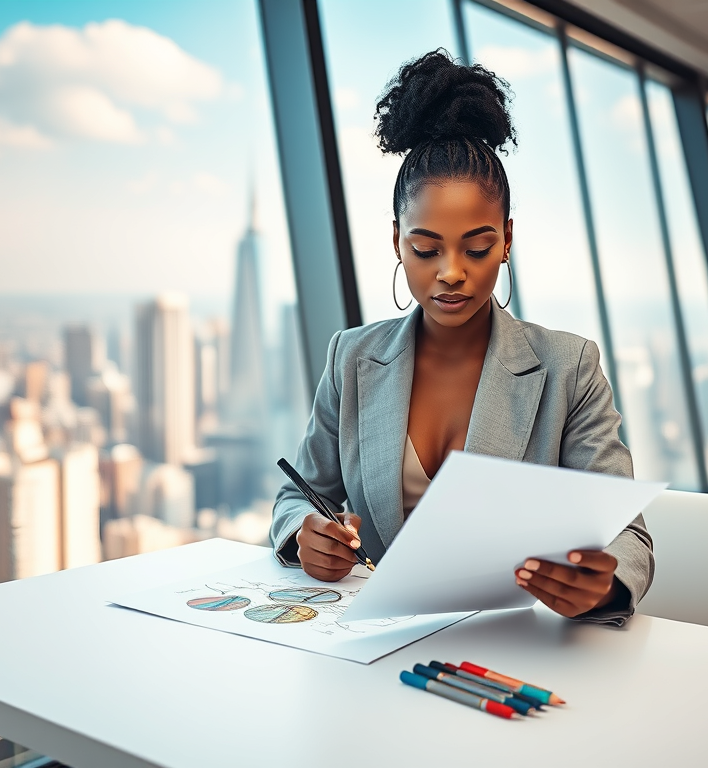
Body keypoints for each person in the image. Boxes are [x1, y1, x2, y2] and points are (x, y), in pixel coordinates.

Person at [271, 49, 653, 626]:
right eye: (426, 249)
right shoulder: (350, 358)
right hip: (377, 643)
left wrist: (601, 585)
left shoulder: (568, 366)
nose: (452, 271)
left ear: (506, 239)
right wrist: (306, 532)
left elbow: (628, 535)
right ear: (397, 241)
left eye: (477, 248)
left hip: (516, 645)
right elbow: (296, 495)